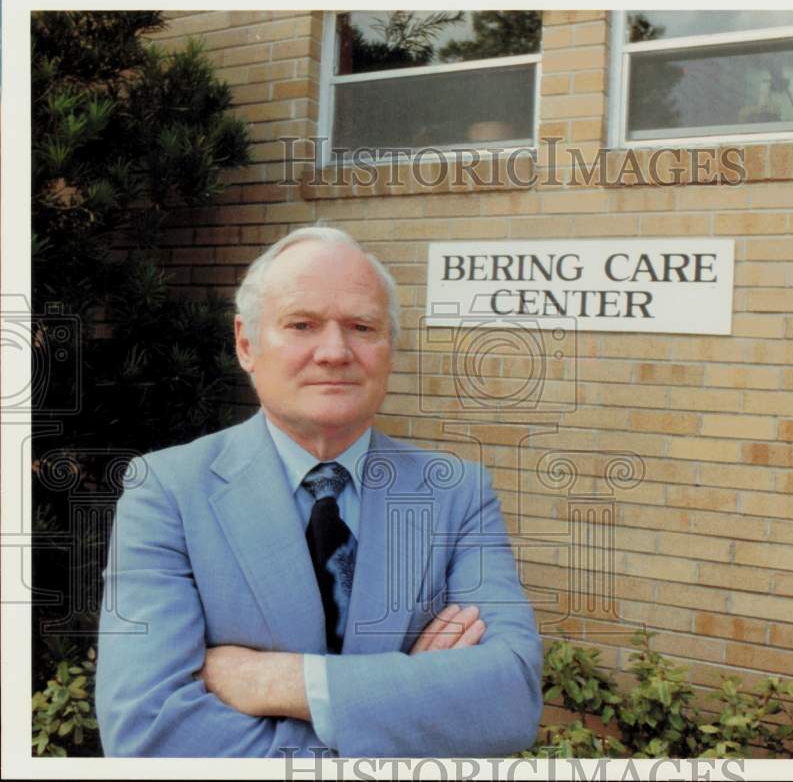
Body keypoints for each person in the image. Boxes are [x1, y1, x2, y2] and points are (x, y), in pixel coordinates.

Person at [95, 226, 543, 757]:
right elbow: (147, 734)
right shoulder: (166, 491)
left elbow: (510, 700)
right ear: (246, 344)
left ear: (390, 348)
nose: (334, 351)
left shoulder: (457, 494)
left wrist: (287, 683)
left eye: (362, 326)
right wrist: (406, 708)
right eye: (302, 324)